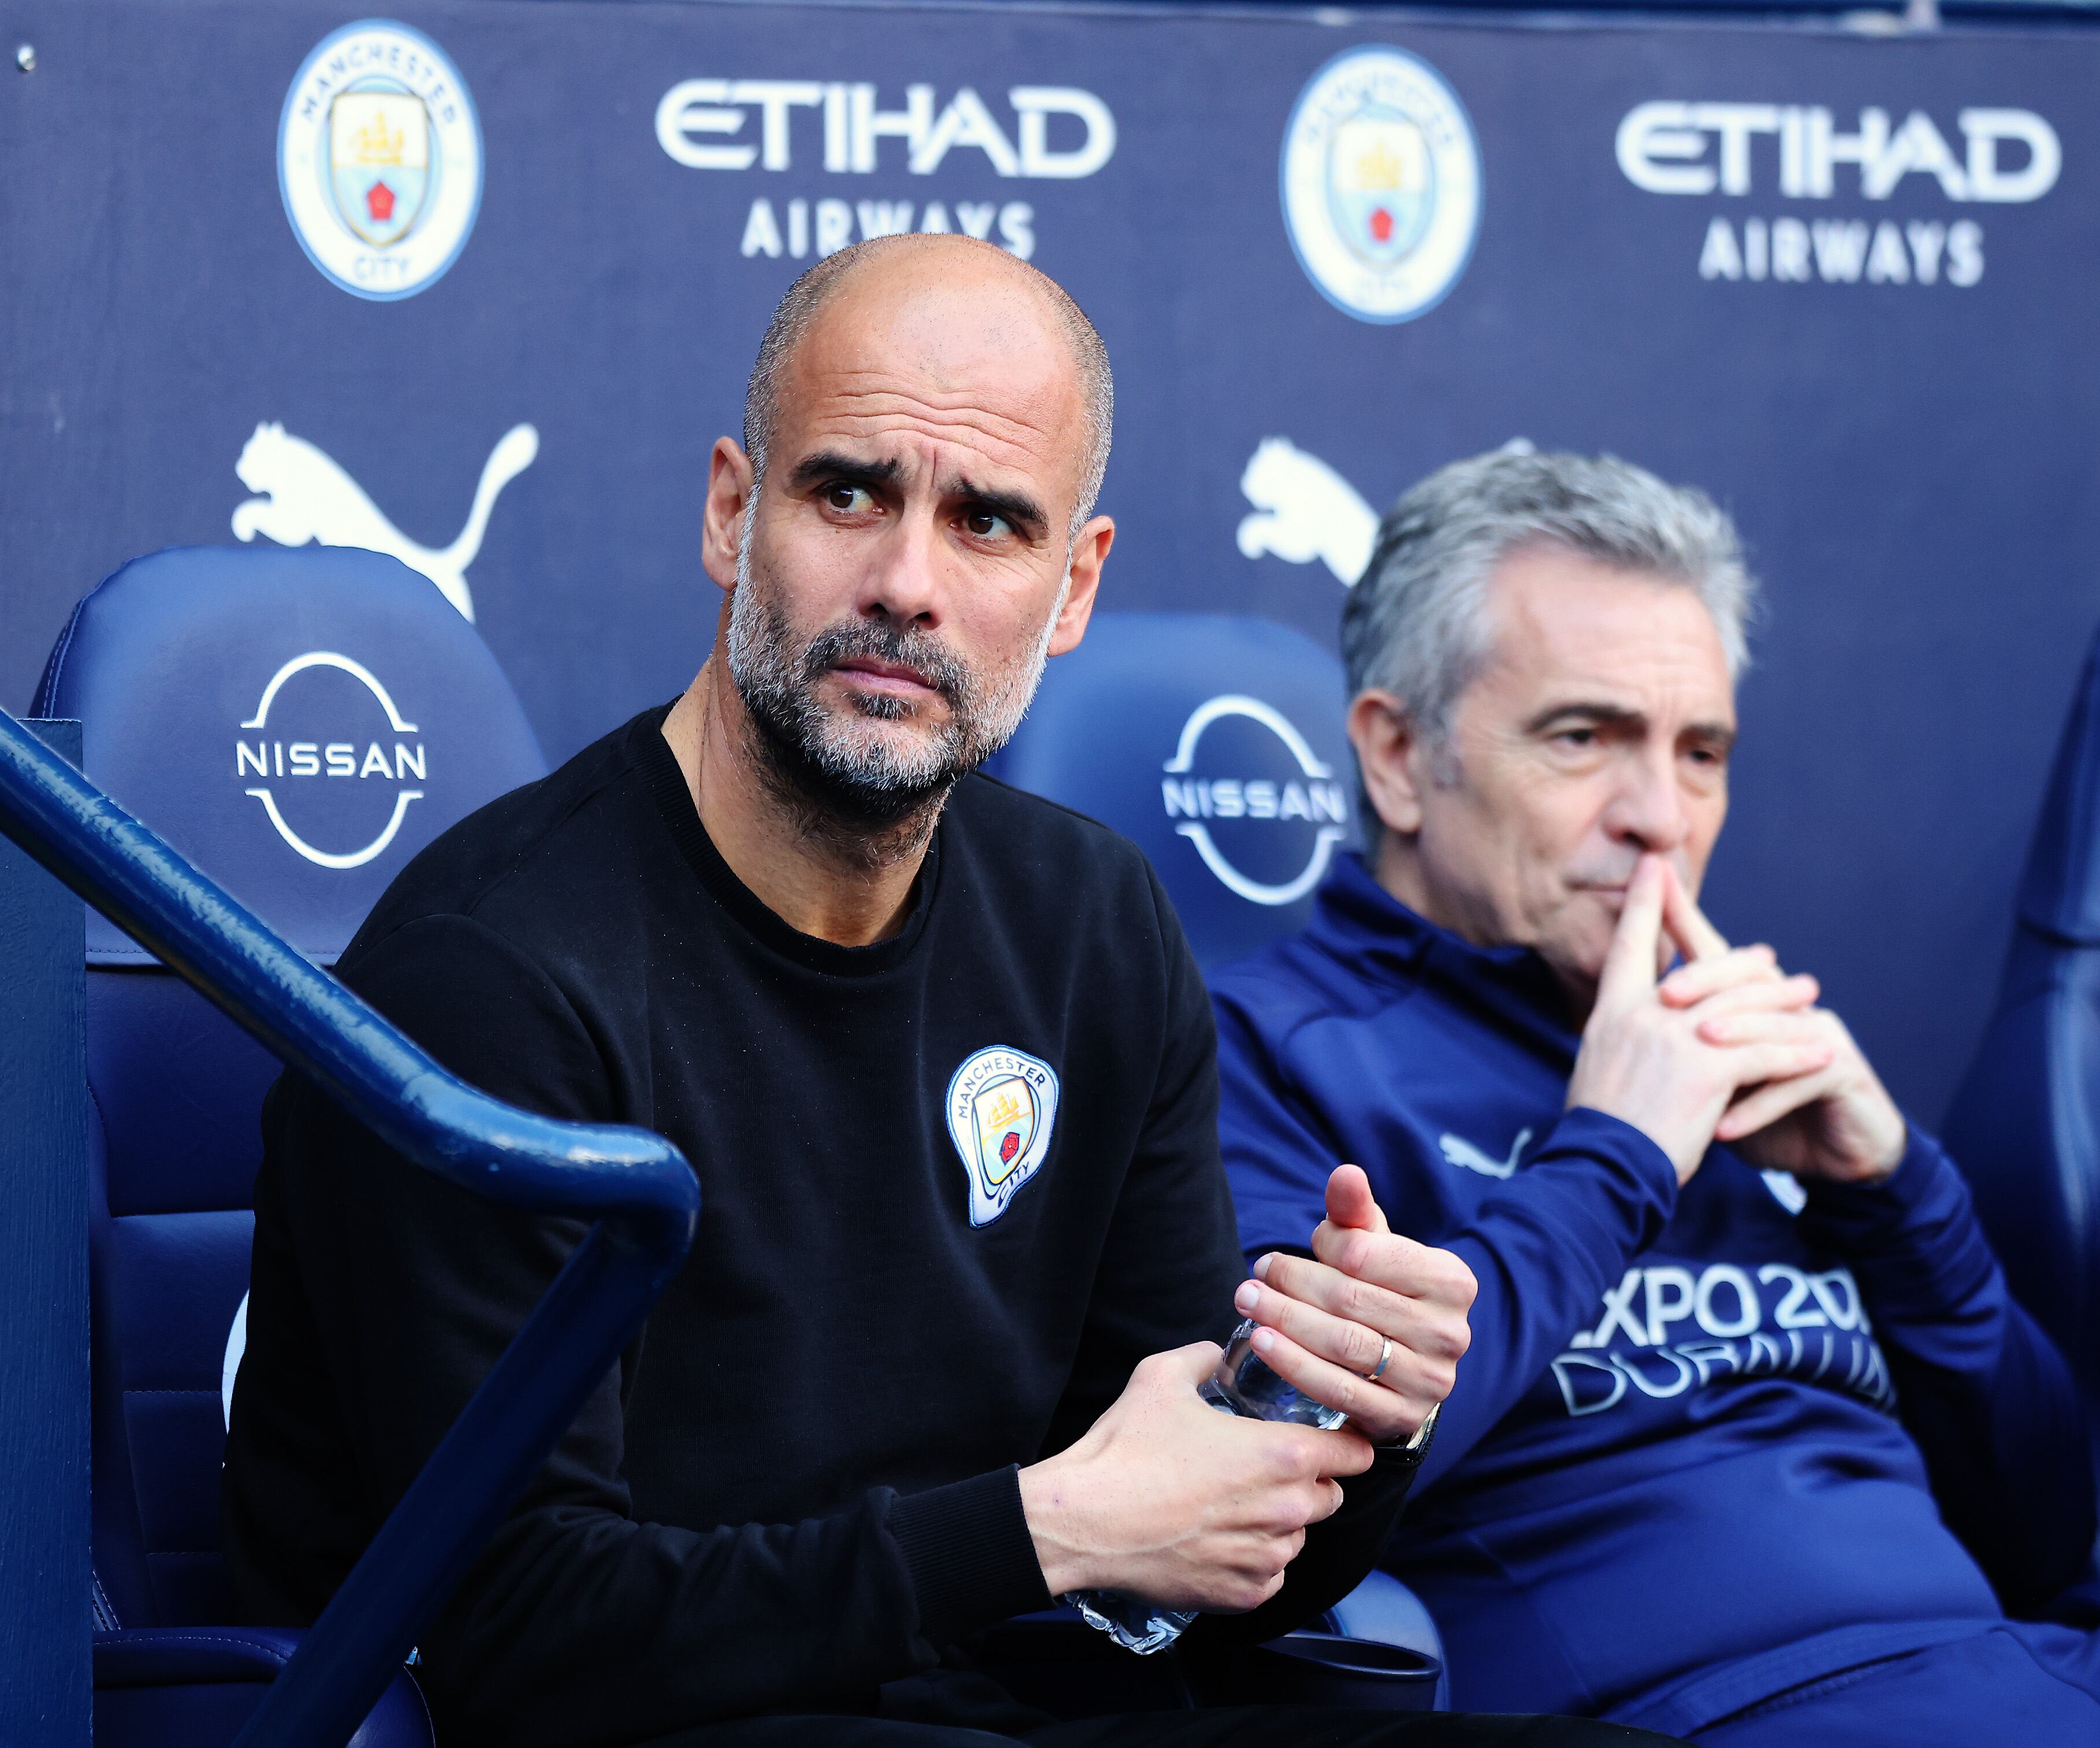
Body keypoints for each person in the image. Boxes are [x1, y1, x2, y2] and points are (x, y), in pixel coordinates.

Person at [222, 238, 1671, 1748]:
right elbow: (516, 1642)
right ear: (732, 511)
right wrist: (1048, 1530)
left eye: (988, 521)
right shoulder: (495, 970)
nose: (907, 583)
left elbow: (1186, 1556)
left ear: (1071, 588)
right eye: (846, 491)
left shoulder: (1091, 921)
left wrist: (1351, 1410)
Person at [1210, 445, 2100, 1745]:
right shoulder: (1258, 1050)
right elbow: (1271, 1492)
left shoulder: (1738, 1048)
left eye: (1700, 752)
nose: (1659, 817)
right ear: (1397, 757)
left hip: (2015, 1672)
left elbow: (2040, 1534)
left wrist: (1896, 1193)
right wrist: (1612, 1156)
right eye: (1582, 737)